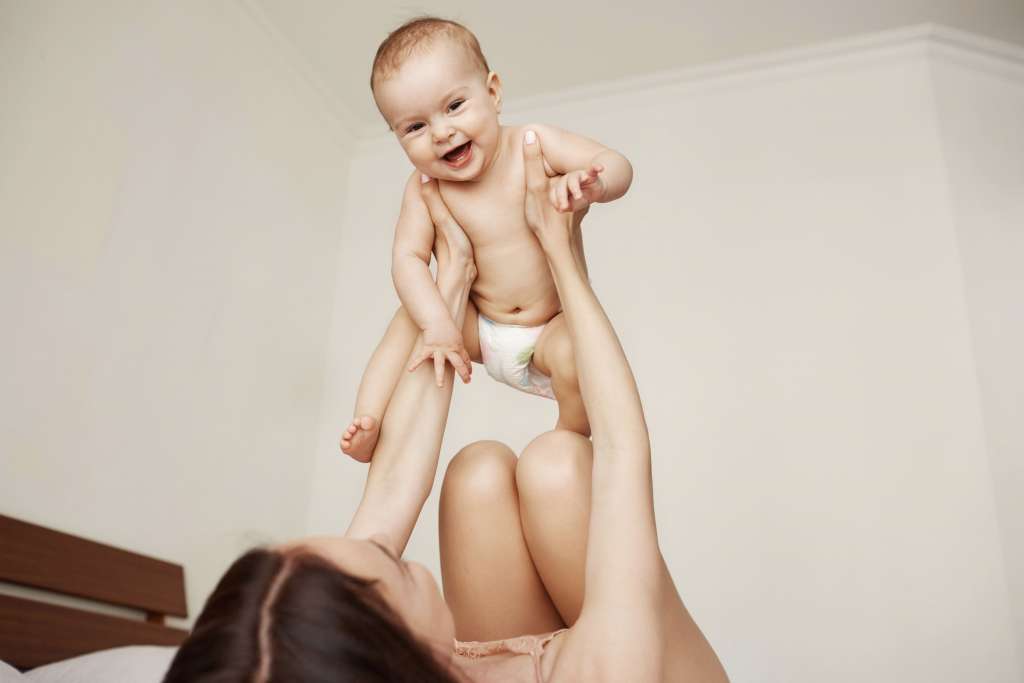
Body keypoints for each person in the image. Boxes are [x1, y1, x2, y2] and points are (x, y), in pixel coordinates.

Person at [163, 132, 728, 682]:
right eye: (393, 561)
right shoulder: (611, 671)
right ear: (405, 655)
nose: (380, 539)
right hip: (649, 663)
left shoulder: (342, 657)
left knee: (476, 472)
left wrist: (451, 279)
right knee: (557, 463)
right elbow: (621, 446)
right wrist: (559, 251)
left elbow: (389, 491)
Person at [340, 16, 634, 462]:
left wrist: (591, 183)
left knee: (577, 351)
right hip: (477, 329)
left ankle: (571, 431)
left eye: (454, 106)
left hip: (548, 327)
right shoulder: (424, 189)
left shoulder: (531, 144)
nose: (441, 133)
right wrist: (438, 324)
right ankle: (369, 419)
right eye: (414, 127)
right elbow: (407, 259)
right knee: (406, 321)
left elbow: (615, 163)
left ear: (492, 93)